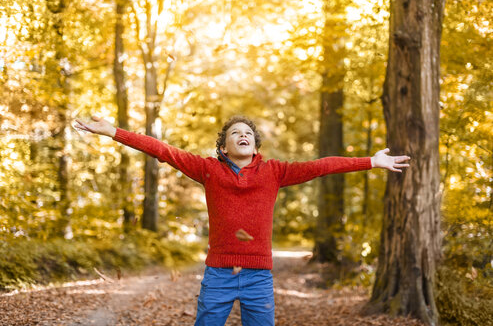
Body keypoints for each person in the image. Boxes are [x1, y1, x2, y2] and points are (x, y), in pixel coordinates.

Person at [74, 115, 410, 326]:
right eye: (235, 133)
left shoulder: (274, 172)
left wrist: (370, 161)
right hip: (218, 274)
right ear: (223, 145)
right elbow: (164, 151)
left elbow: (320, 166)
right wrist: (114, 132)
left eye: (247, 132)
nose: (242, 135)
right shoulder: (208, 169)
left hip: (258, 277)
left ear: (255, 144)